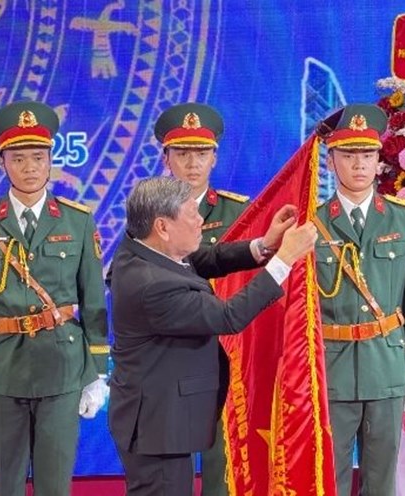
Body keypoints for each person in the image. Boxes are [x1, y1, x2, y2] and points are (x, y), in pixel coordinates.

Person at [107, 176, 317, 496]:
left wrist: (264, 245)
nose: (200, 222)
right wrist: (285, 259)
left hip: (157, 416)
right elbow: (228, 317)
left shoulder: (140, 247)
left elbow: (203, 259)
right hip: (158, 426)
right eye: (192, 215)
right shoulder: (153, 285)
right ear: (162, 226)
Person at [0, 101, 110, 496]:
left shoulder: (77, 219)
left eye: (39, 157)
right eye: (18, 158)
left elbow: (93, 302)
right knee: (6, 484)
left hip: (63, 368)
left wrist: (98, 374)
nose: (30, 167)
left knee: (56, 484)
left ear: (52, 159)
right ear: (2, 162)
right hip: (1, 369)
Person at [313, 104, 405, 496]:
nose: (358, 164)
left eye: (367, 154)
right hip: (333, 367)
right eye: (348, 155)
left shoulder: (402, 218)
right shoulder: (312, 223)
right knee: (332, 477)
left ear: (380, 160)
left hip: (387, 363)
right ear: (331, 161)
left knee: (382, 480)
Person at [154, 102, 249, 495]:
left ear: (215, 157)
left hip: (222, 354)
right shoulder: (145, 214)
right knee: (165, 465)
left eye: (201, 153)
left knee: (221, 467)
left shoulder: (240, 212)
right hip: (166, 354)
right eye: (183, 153)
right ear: (166, 157)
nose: (193, 163)